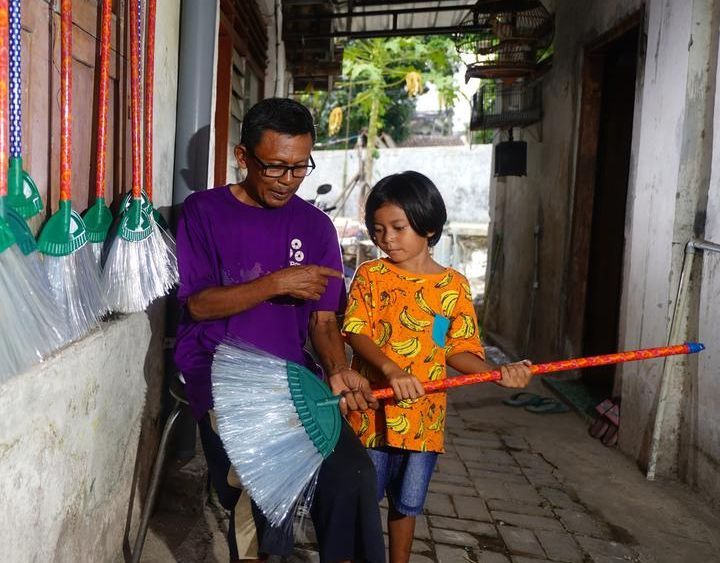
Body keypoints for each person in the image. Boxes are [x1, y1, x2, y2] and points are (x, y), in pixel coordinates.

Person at [174, 97, 386, 563]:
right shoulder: (203, 211)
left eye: (299, 167)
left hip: (291, 377)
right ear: (243, 156)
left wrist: (335, 369)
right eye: (275, 167)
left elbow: (324, 321)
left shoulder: (315, 227)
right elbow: (199, 305)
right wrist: (276, 282)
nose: (288, 180)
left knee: (352, 477)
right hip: (220, 370)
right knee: (266, 486)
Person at [342, 171, 533, 563]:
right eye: (378, 230)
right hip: (371, 413)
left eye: (398, 227)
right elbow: (355, 331)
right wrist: (390, 369)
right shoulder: (371, 276)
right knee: (360, 503)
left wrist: (497, 373)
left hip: (423, 419)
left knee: (407, 504)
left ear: (429, 227)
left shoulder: (453, 287)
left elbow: (456, 349)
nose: (386, 239)